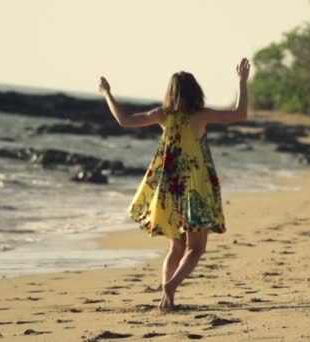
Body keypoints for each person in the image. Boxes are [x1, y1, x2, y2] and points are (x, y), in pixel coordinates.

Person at [98, 58, 250, 310]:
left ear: (170, 92)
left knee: (176, 247)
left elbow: (124, 120)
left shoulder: (162, 115)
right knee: (196, 249)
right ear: (196, 92)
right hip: (195, 190)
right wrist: (242, 82)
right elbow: (240, 113)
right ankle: (171, 285)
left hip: (169, 191)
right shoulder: (201, 116)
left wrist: (107, 94)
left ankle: (168, 298)